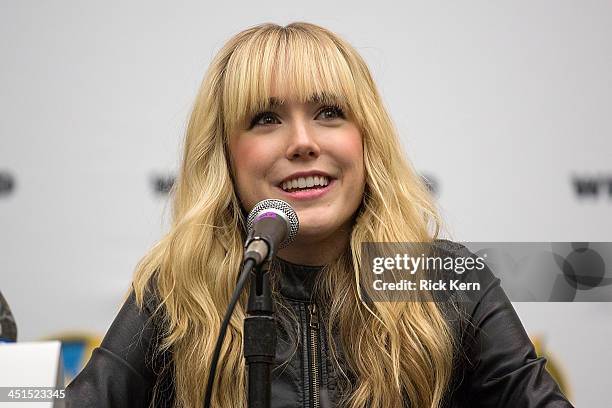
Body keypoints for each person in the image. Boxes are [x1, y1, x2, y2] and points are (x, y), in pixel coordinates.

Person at [66, 22, 573, 407]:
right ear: (224, 156)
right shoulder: (177, 287)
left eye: (329, 113)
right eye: (266, 119)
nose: (303, 142)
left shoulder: (444, 277)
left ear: (365, 139)